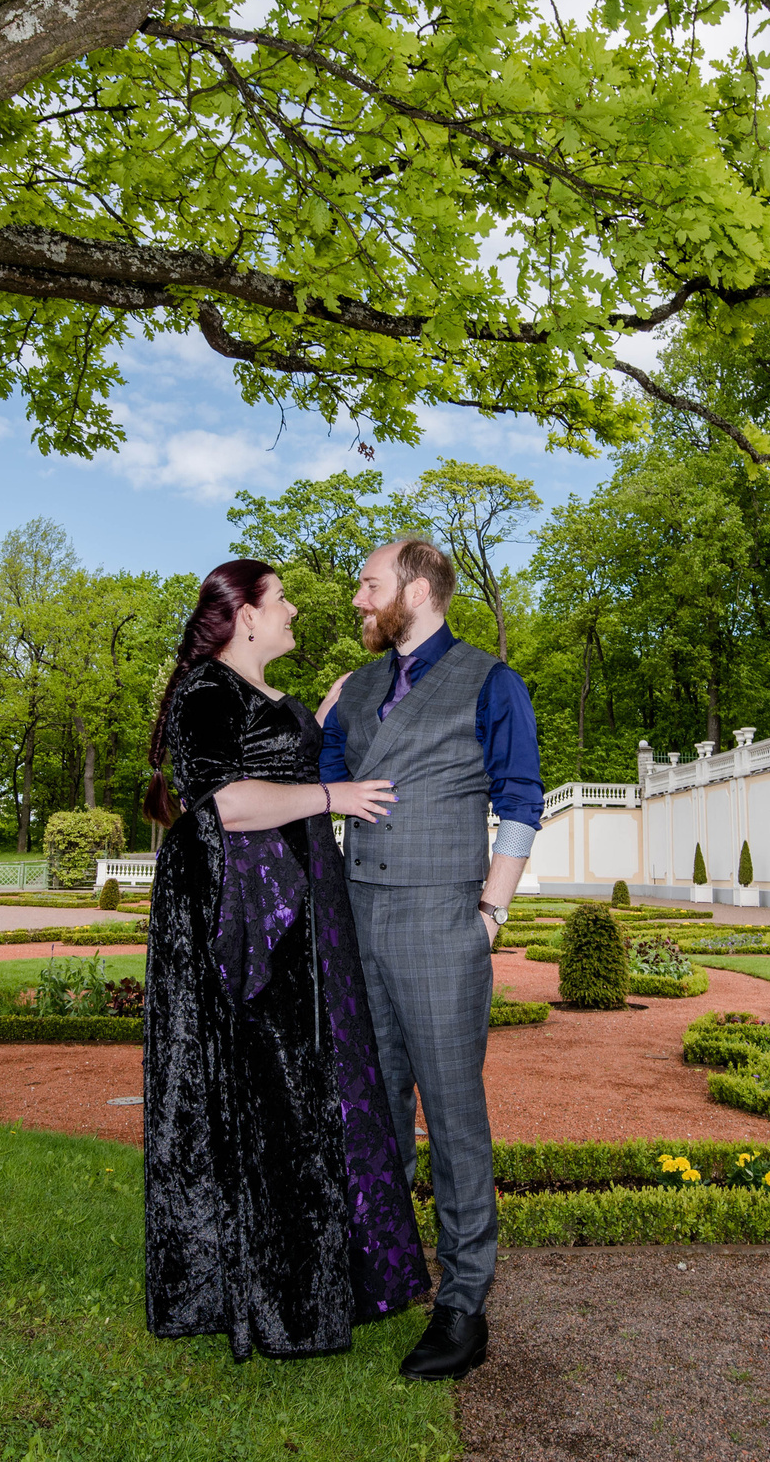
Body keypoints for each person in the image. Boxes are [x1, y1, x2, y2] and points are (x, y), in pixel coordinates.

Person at [140, 559, 430, 1362]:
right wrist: (337, 796)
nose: (296, 606)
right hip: (246, 928)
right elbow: (226, 802)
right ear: (246, 617)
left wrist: (325, 715)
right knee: (268, 1094)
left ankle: (324, 1274)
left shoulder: (270, 694)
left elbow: (285, 759)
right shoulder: (204, 692)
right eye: (281, 598)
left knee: (317, 1091)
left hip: (298, 918)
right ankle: (275, 1291)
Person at [316, 537, 542, 1382]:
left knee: (451, 1116)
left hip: (443, 920)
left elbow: (522, 797)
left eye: (367, 584)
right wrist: (322, 716)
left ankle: (463, 1302)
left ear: (416, 587)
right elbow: (318, 778)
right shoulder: (361, 685)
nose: (356, 601)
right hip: (358, 916)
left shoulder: (492, 681)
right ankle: (381, 1267)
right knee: (371, 1107)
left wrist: (490, 910)